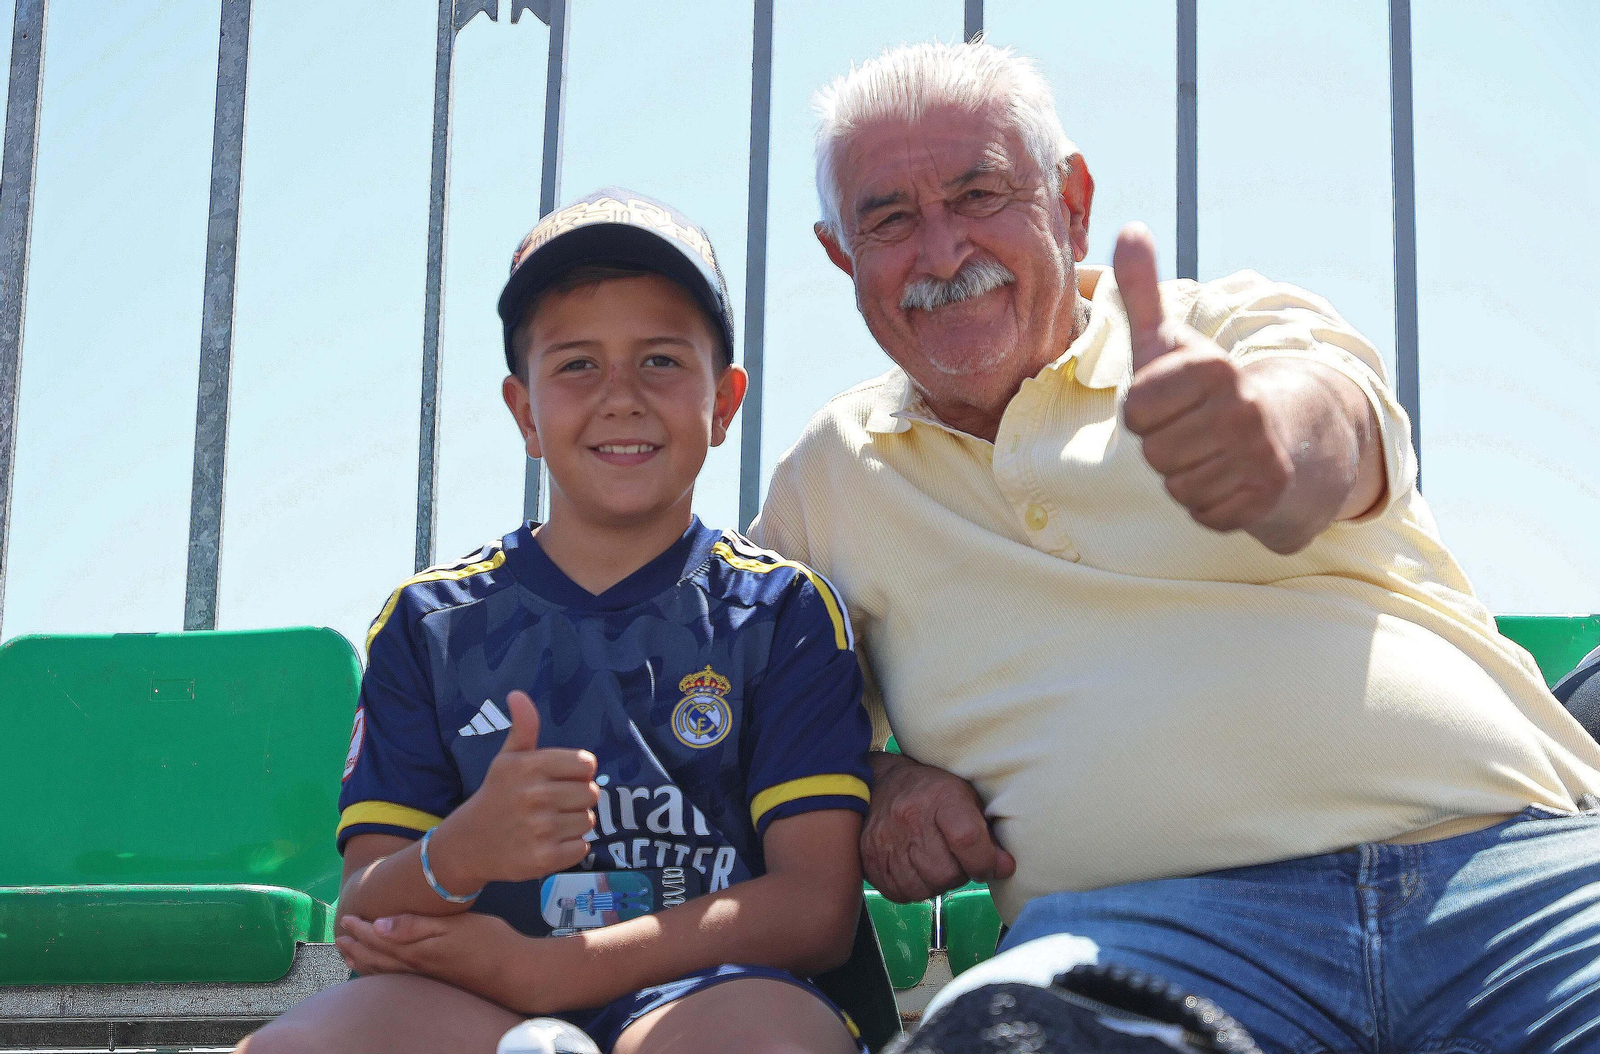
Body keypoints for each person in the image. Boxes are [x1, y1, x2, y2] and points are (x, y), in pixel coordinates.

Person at [752, 40, 1600, 1053]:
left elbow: (1332, 424)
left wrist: (1266, 443)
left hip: (1509, 868)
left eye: (979, 194)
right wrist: (879, 784)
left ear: (1071, 202)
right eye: (890, 218)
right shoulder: (829, 477)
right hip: (1139, 938)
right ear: (840, 254)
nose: (940, 253)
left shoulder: (1224, 329)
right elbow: (731, 715)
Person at [238, 188, 873, 1054]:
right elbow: (364, 914)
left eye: (660, 360)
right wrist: (461, 852)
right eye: (577, 365)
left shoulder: (783, 611)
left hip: (707, 992)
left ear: (724, 403)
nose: (621, 397)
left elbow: (816, 910)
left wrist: (558, 971)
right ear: (524, 412)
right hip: (468, 998)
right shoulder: (430, 624)